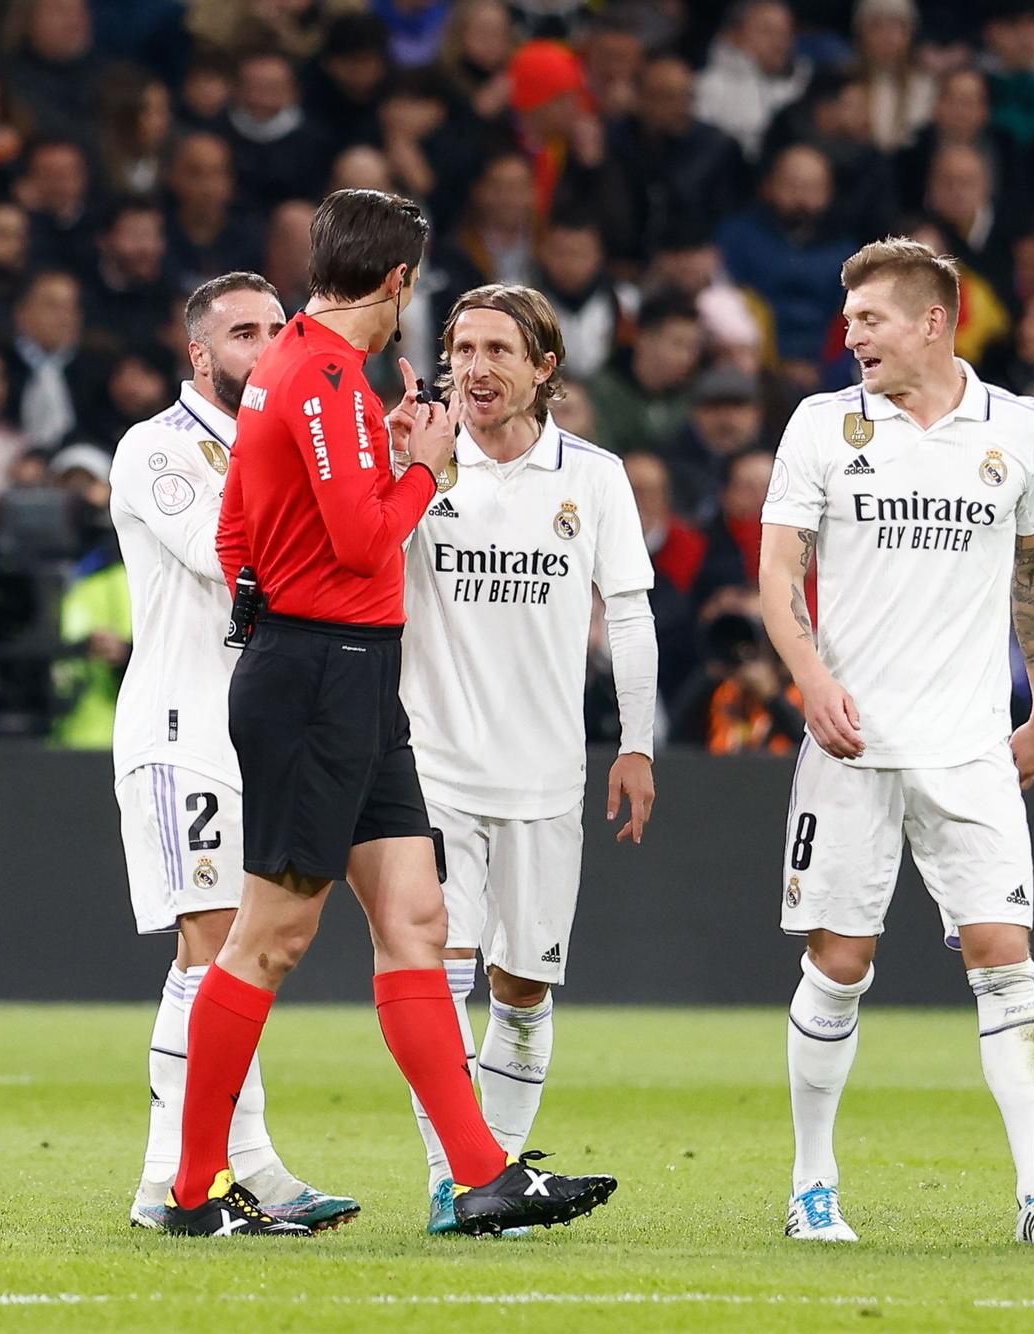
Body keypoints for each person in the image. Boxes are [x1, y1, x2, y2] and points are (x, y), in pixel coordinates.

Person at [164, 188, 617, 1238]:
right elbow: (370, 542)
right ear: (400, 281)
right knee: (268, 936)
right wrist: (425, 463)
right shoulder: (322, 377)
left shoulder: (307, 374)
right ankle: (190, 1191)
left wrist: (278, 593)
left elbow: (238, 527)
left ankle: (479, 1174)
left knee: (414, 918)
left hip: (346, 672)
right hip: (321, 674)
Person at [757, 237, 1034, 1246]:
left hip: (965, 745)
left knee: (1003, 954)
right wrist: (810, 680)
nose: (848, 335)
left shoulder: (1020, 431)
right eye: (847, 319)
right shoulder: (822, 424)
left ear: (931, 321)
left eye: (868, 319)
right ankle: (811, 1183)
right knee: (840, 958)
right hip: (851, 745)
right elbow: (777, 571)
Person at [398, 283, 657, 1232]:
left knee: (523, 987)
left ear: (544, 367)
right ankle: (453, 1178)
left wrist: (636, 742)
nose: (474, 367)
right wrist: (399, 470)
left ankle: (495, 1170)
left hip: (548, 774)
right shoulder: (425, 470)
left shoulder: (593, 476)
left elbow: (628, 612)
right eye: (462, 347)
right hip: (433, 768)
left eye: (498, 350)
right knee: (438, 971)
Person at [108, 272, 356, 1231]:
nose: (265, 345)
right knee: (211, 952)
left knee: (244, 960)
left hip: (264, 735)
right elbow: (247, 562)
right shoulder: (158, 451)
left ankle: (248, 1166)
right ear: (200, 355)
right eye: (242, 333)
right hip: (184, 733)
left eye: (276, 328)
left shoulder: (293, 443)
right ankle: (169, 1185)